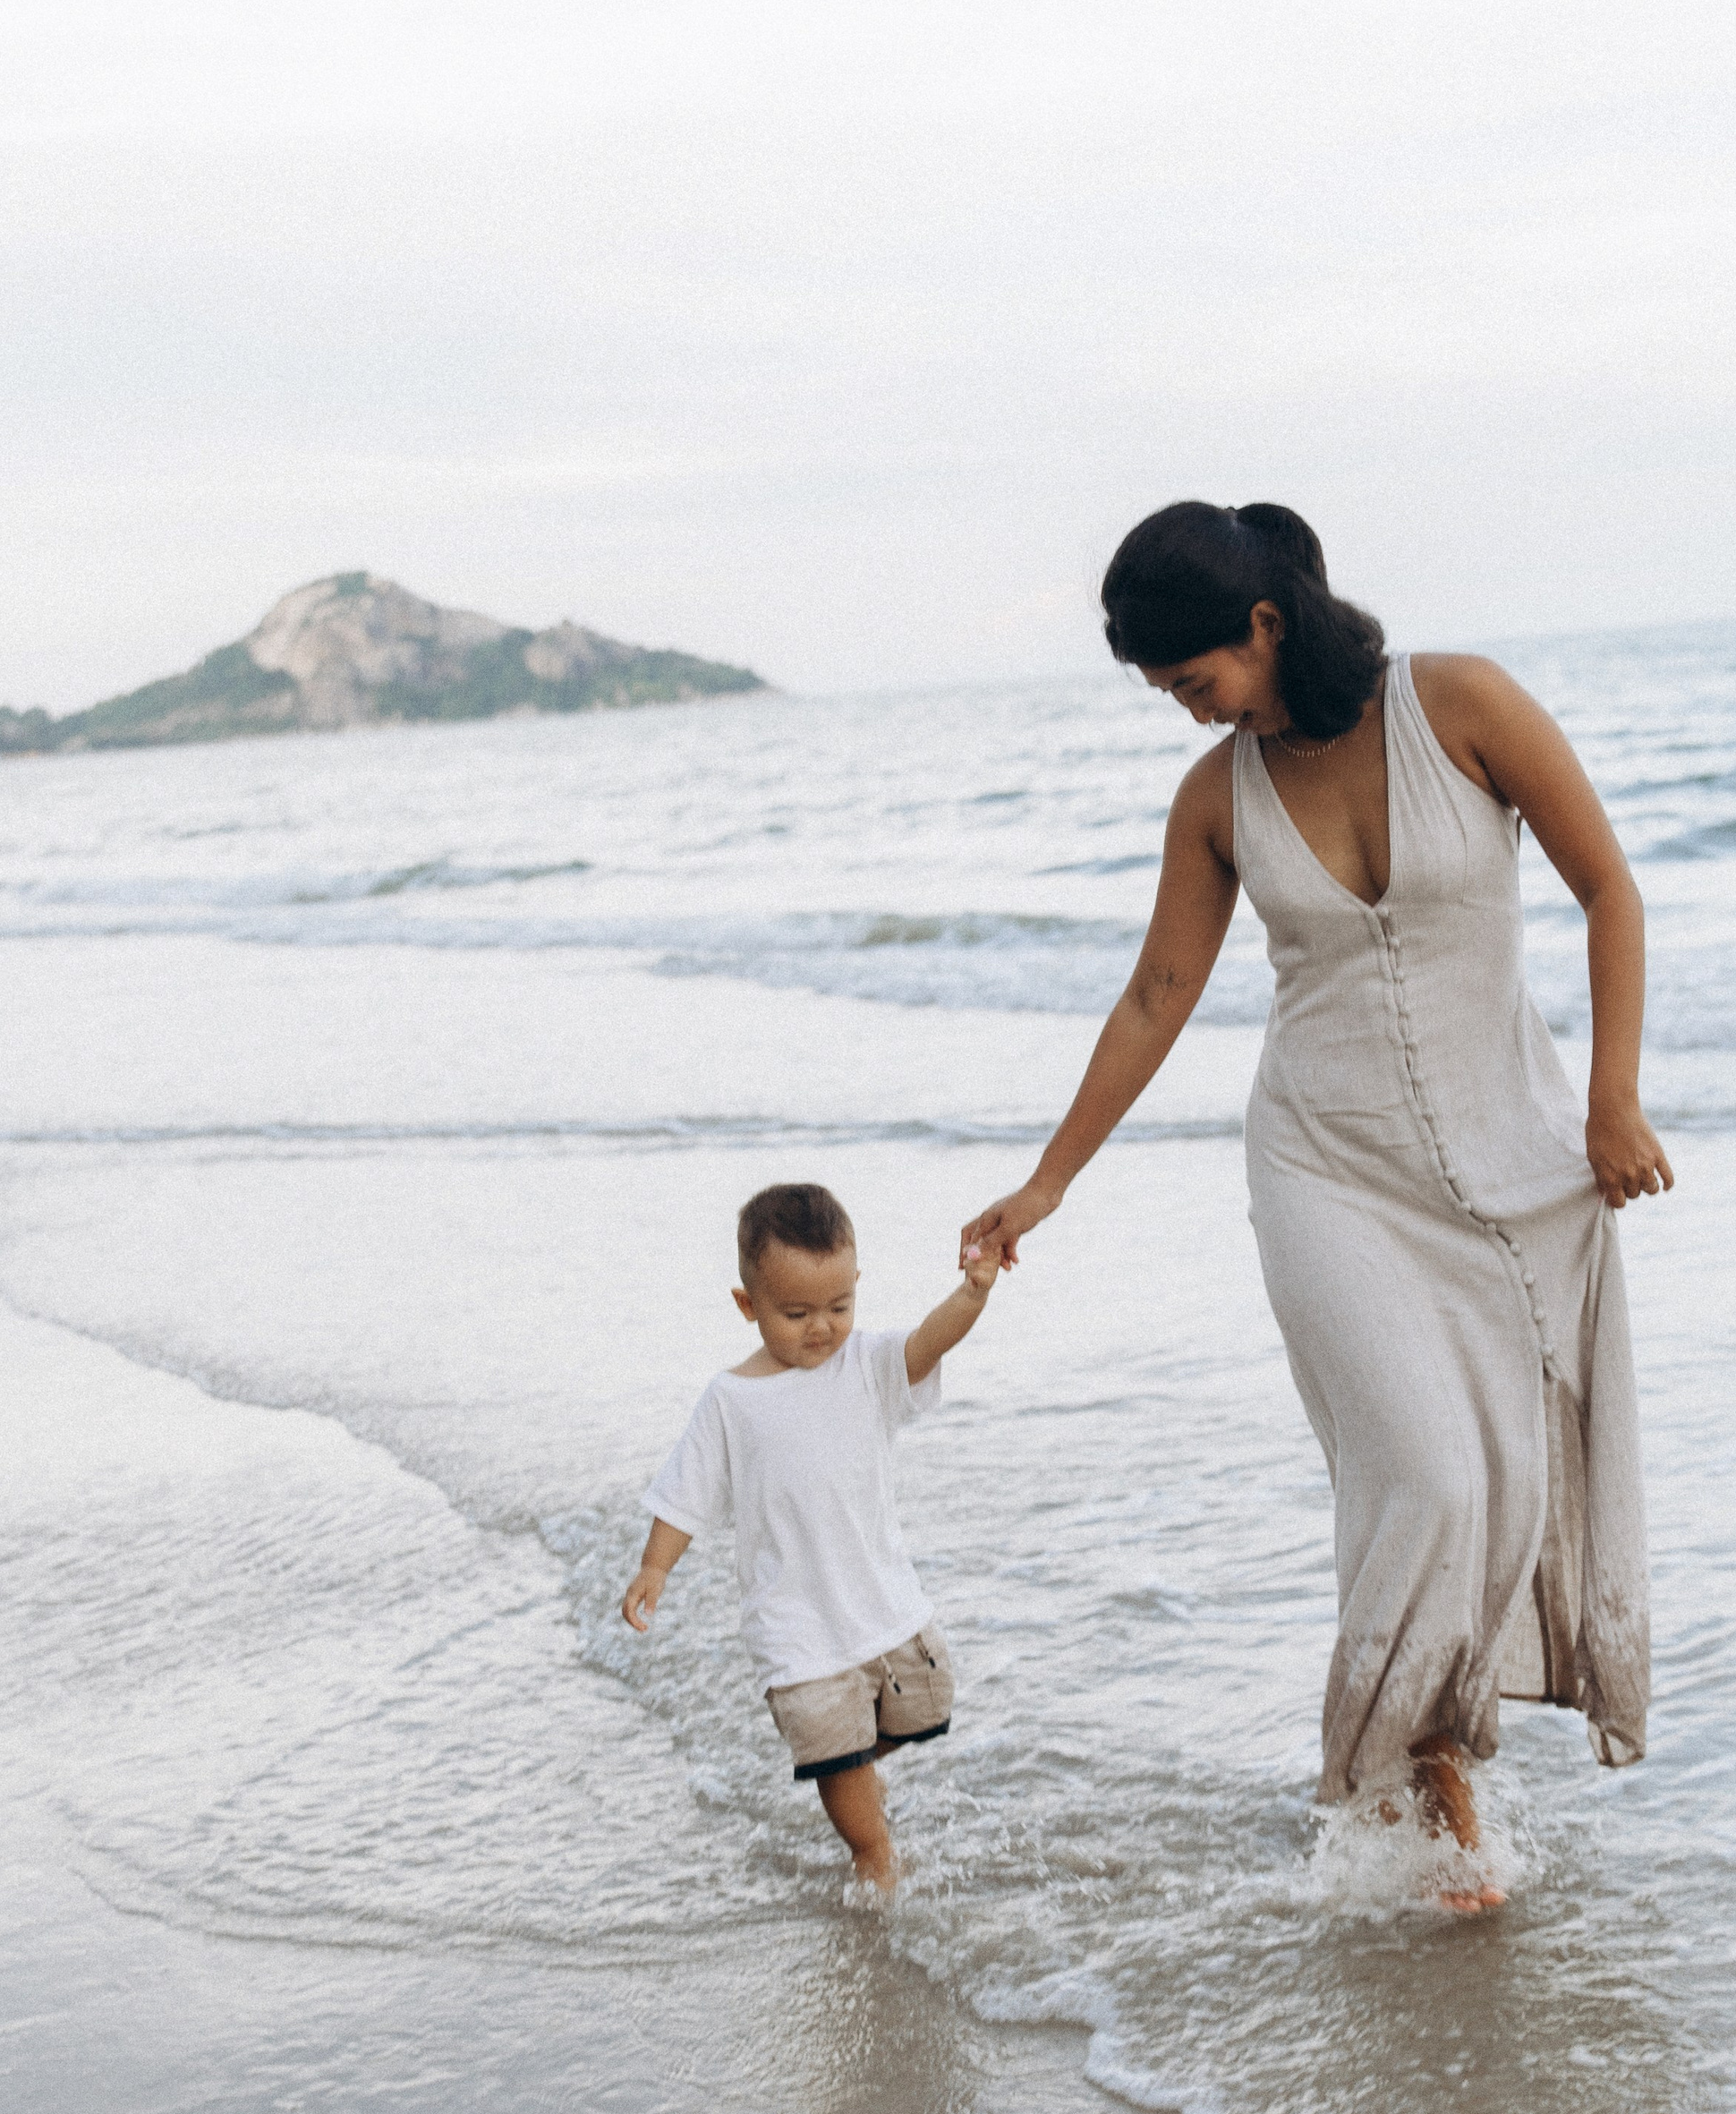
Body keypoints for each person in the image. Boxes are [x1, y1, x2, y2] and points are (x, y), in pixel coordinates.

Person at [962, 503, 1670, 1912]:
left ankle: (1427, 1769)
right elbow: (1157, 995)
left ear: (1265, 623)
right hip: (1323, 1168)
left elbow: (1610, 888)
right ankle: (1398, 1780)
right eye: (1167, 693)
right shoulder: (1216, 800)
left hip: (1507, 1156)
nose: (1187, 710)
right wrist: (1048, 1178)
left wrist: (1613, 1097)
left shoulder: (1460, 704)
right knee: (1427, 1474)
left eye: (1194, 678)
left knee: (1501, 1481)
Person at [621, 1181, 998, 1897]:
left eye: (839, 1307)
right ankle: (873, 1857)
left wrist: (971, 1295)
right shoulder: (732, 1400)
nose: (821, 1328)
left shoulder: (868, 1366)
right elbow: (683, 1495)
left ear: (856, 1287)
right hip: (795, 1628)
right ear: (749, 1305)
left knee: (926, 1705)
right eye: (796, 1314)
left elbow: (929, 1341)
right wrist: (654, 1568)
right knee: (838, 1755)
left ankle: (848, 1767)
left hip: (882, 1602)